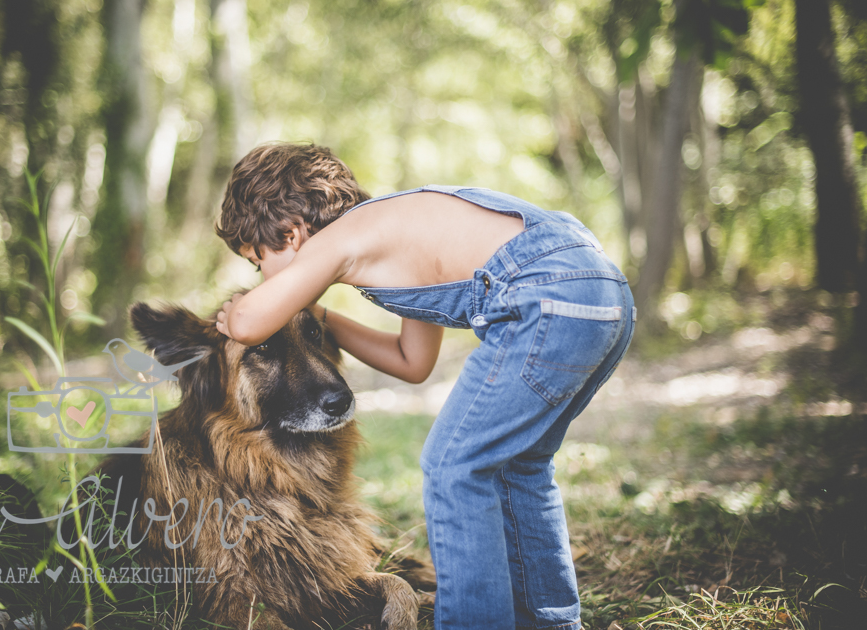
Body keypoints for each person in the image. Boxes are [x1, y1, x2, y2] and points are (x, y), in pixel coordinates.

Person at [214, 142, 635, 630]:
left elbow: (247, 322)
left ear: (290, 234)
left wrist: (245, 308)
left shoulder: (338, 238)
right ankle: (551, 621)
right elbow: (412, 362)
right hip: (602, 295)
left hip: (548, 296)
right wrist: (322, 315)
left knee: (452, 464)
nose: (263, 278)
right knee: (522, 466)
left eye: (256, 261)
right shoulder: (394, 244)